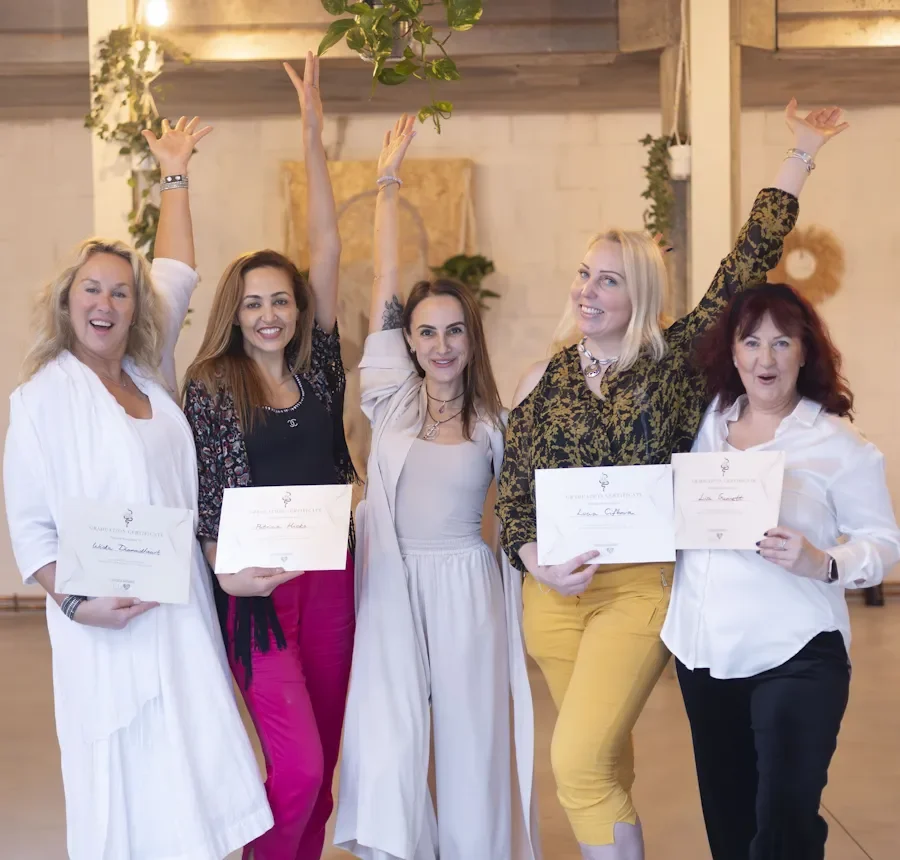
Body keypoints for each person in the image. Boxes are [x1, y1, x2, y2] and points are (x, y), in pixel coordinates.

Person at [496, 100, 847, 860]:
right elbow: (516, 495)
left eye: (610, 281)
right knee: (606, 765)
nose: (588, 290)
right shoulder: (541, 379)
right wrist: (532, 561)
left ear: (641, 297)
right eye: (585, 273)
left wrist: (801, 153)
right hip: (552, 595)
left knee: (577, 759)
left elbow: (747, 259)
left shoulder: (676, 361)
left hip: (639, 588)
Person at [3, 118, 274, 859]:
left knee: (192, 774)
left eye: (122, 292)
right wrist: (77, 603)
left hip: (178, 607)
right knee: (125, 784)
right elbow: (30, 528)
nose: (107, 303)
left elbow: (178, 271)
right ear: (67, 301)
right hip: (102, 624)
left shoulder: (149, 380)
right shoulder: (40, 401)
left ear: (134, 307)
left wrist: (176, 174)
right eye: (92, 288)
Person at [334, 116, 541, 860]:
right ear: (409, 340)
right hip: (391, 584)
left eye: (454, 331)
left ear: (469, 339)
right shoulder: (389, 396)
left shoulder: (493, 421)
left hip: (466, 586)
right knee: (390, 745)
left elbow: (525, 503)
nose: (441, 345)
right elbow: (386, 287)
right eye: (427, 332)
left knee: (469, 748)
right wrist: (387, 183)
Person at [181, 54, 356, 860]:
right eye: (253, 302)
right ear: (235, 310)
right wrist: (227, 576)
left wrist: (313, 131)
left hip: (331, 582)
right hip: (254, 593)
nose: (268, 313)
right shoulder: (214, 381)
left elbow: (326, 242)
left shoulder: (320, 366)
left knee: (323, 773)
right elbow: (211, 496)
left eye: (280, 299)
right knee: (297, 763)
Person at [662, 283, 900, 860]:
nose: (765, 359)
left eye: (781, 342)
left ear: (804, 352)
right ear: (733, 352)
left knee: (784, 823)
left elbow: (884, 544)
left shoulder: (838, 445)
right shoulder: (706, 424)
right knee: (730, 822)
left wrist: (824, 562)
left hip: (797, 653)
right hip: (704, 653)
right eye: (752, 342)